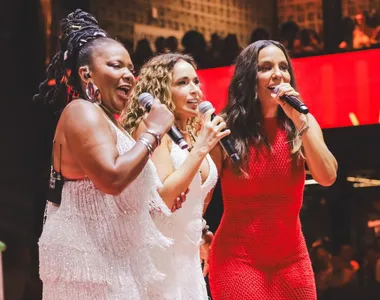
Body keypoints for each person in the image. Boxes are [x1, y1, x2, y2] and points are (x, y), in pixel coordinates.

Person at [35, 9, 185, 299]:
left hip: (114, 257)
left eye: (131, 68)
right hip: (88, 262)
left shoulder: (108, 121)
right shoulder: (81, 111)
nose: (129, 74)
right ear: (86, 74)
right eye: (117, 66)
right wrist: (152, 133)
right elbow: (112, 179)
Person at [208, 40, 338, 300]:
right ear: (248, 78)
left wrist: (300, 120)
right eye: (265, 67)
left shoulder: (302, 122)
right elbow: (202, 195)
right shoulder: (224, 128)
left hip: (291, 260)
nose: (278, 73)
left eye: (283, 67)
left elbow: (327, 176)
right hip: (237, 260)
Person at [123, 53, 229, 299]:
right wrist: (203, 147)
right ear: (161, 90)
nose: (195, 91)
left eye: (195, 82)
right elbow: (164, 198)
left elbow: (194, 197)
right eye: (182, 83)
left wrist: (201, 230)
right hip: (160, 255)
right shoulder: (151, 127)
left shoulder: (193, 133)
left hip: (188, 256)